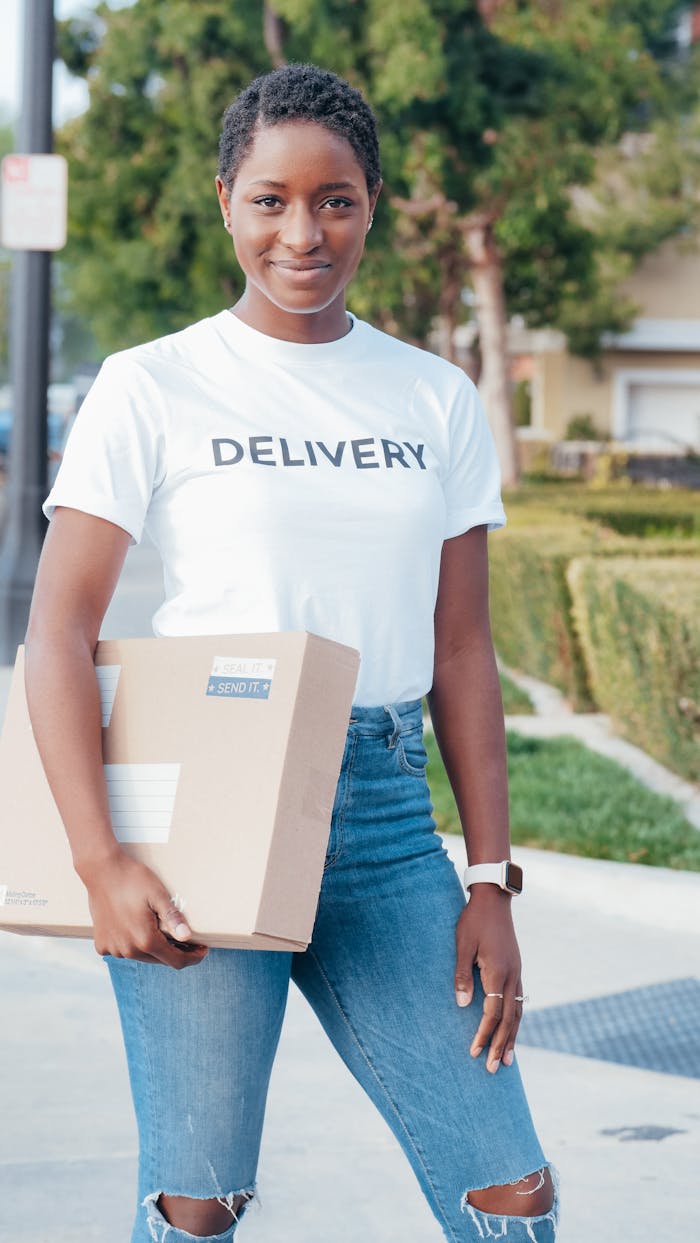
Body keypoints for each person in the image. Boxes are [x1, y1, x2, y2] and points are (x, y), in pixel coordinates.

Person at [24, 63, 558, 1243]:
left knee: (507, 1189)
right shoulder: (151, 385)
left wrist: (488, 877)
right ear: (226, 202)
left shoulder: (434, 398)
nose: (302, 232)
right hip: (207, 811)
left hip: (378, 815)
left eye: (335, 200)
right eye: (270, 200)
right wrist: (100, 857)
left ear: (370, 203)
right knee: (197, 1200)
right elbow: (55, 631)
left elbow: (462, 651)